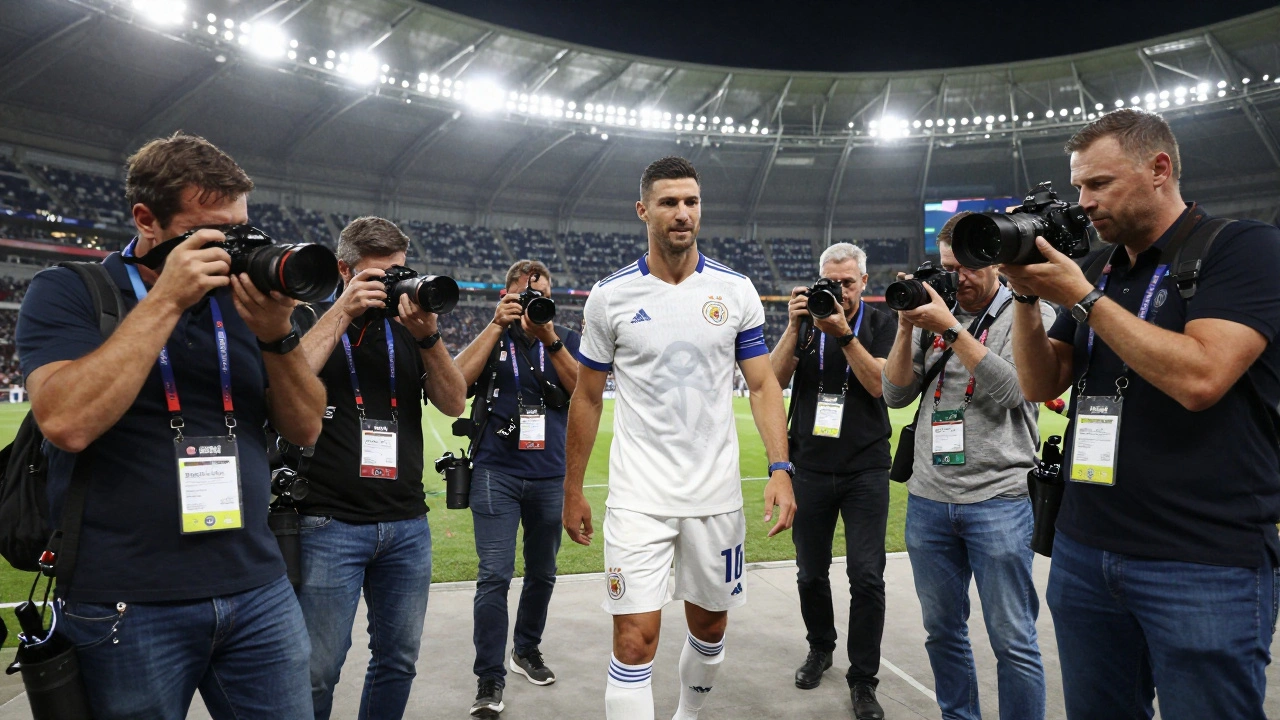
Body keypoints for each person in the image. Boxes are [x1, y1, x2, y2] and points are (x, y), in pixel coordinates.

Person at [15, 131, 325, 719]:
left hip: (257, 587)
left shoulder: (247, 304)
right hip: (125, 600)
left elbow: (306, 428)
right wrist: (166, 301)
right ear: (146, 220)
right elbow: (66, 422)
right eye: (211, 232)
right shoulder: (70, 291)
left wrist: (278, 336)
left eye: (240, 229)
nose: (230, 247)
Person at [1002, 108, 1280, 720]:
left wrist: (1082, 297)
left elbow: (1201, 377)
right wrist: (1024, 296)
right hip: (1084, 546)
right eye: (1078, 186)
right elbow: (1039, 381)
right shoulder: (1101, 269)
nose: (1084, 202)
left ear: (1159, 169)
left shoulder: (1243, 247)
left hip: (1201, 557)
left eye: (1099, 183)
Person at [562, 156, 796, 720]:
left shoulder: (735, 290)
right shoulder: (610, 297)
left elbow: (762, 384)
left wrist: (780, 468)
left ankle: (688, 714)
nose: (683, 213)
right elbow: (587, 397)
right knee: (633, 641)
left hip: (715, 496)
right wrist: (572, 489)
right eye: (669, 202)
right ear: (643, 210)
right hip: (638, 498)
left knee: (710, 629)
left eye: (691, 201)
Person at [289, 216, 467, 720]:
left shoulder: (408, 328)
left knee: (398, 661)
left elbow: (454, 402)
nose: (392, 286)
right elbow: (288, 381)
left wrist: (429, 338)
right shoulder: (307, 316)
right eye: (379, 276)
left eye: (399, 273)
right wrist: (343, 311)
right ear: (345, 270)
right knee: (317, 669)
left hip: (406, 523)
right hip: (329, 521)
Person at [882, 212, 1052, 720]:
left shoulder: (1023, 311)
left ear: (995, 262)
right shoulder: (932, 311)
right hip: (929, 499)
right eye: (948, 267)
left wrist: (951, 329)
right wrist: (905, 326)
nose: (958, 279)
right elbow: (895, 394)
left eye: (968, 267)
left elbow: (1016, 391)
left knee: (1013, 639)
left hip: (999, 499)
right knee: (942, 632)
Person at [769, 242, 895, 719]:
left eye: (847, 282)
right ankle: (820, 646)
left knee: (866, 576)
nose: (839, 291)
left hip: (866, 468)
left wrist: (843, 334)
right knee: (809, 572)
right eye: (831, 282)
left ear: (864, 282)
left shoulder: (883, 324)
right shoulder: (805, 325)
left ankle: (863, 678)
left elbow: (881, 384)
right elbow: (772, 381)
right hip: (810, 467)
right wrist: (793, 327)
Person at [453, 259, 582, 717]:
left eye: (542, 296)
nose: (533, 304)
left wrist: (550, 338)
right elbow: (454, 383)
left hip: (550, 474)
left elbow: (583, 392)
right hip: (496, 472)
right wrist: (494, 326)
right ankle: (489, 676)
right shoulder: (494, 336)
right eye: (525, 296)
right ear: (505, 296)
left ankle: (526, 649)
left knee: (543, 572)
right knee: (494, 575)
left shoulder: (566, 338)